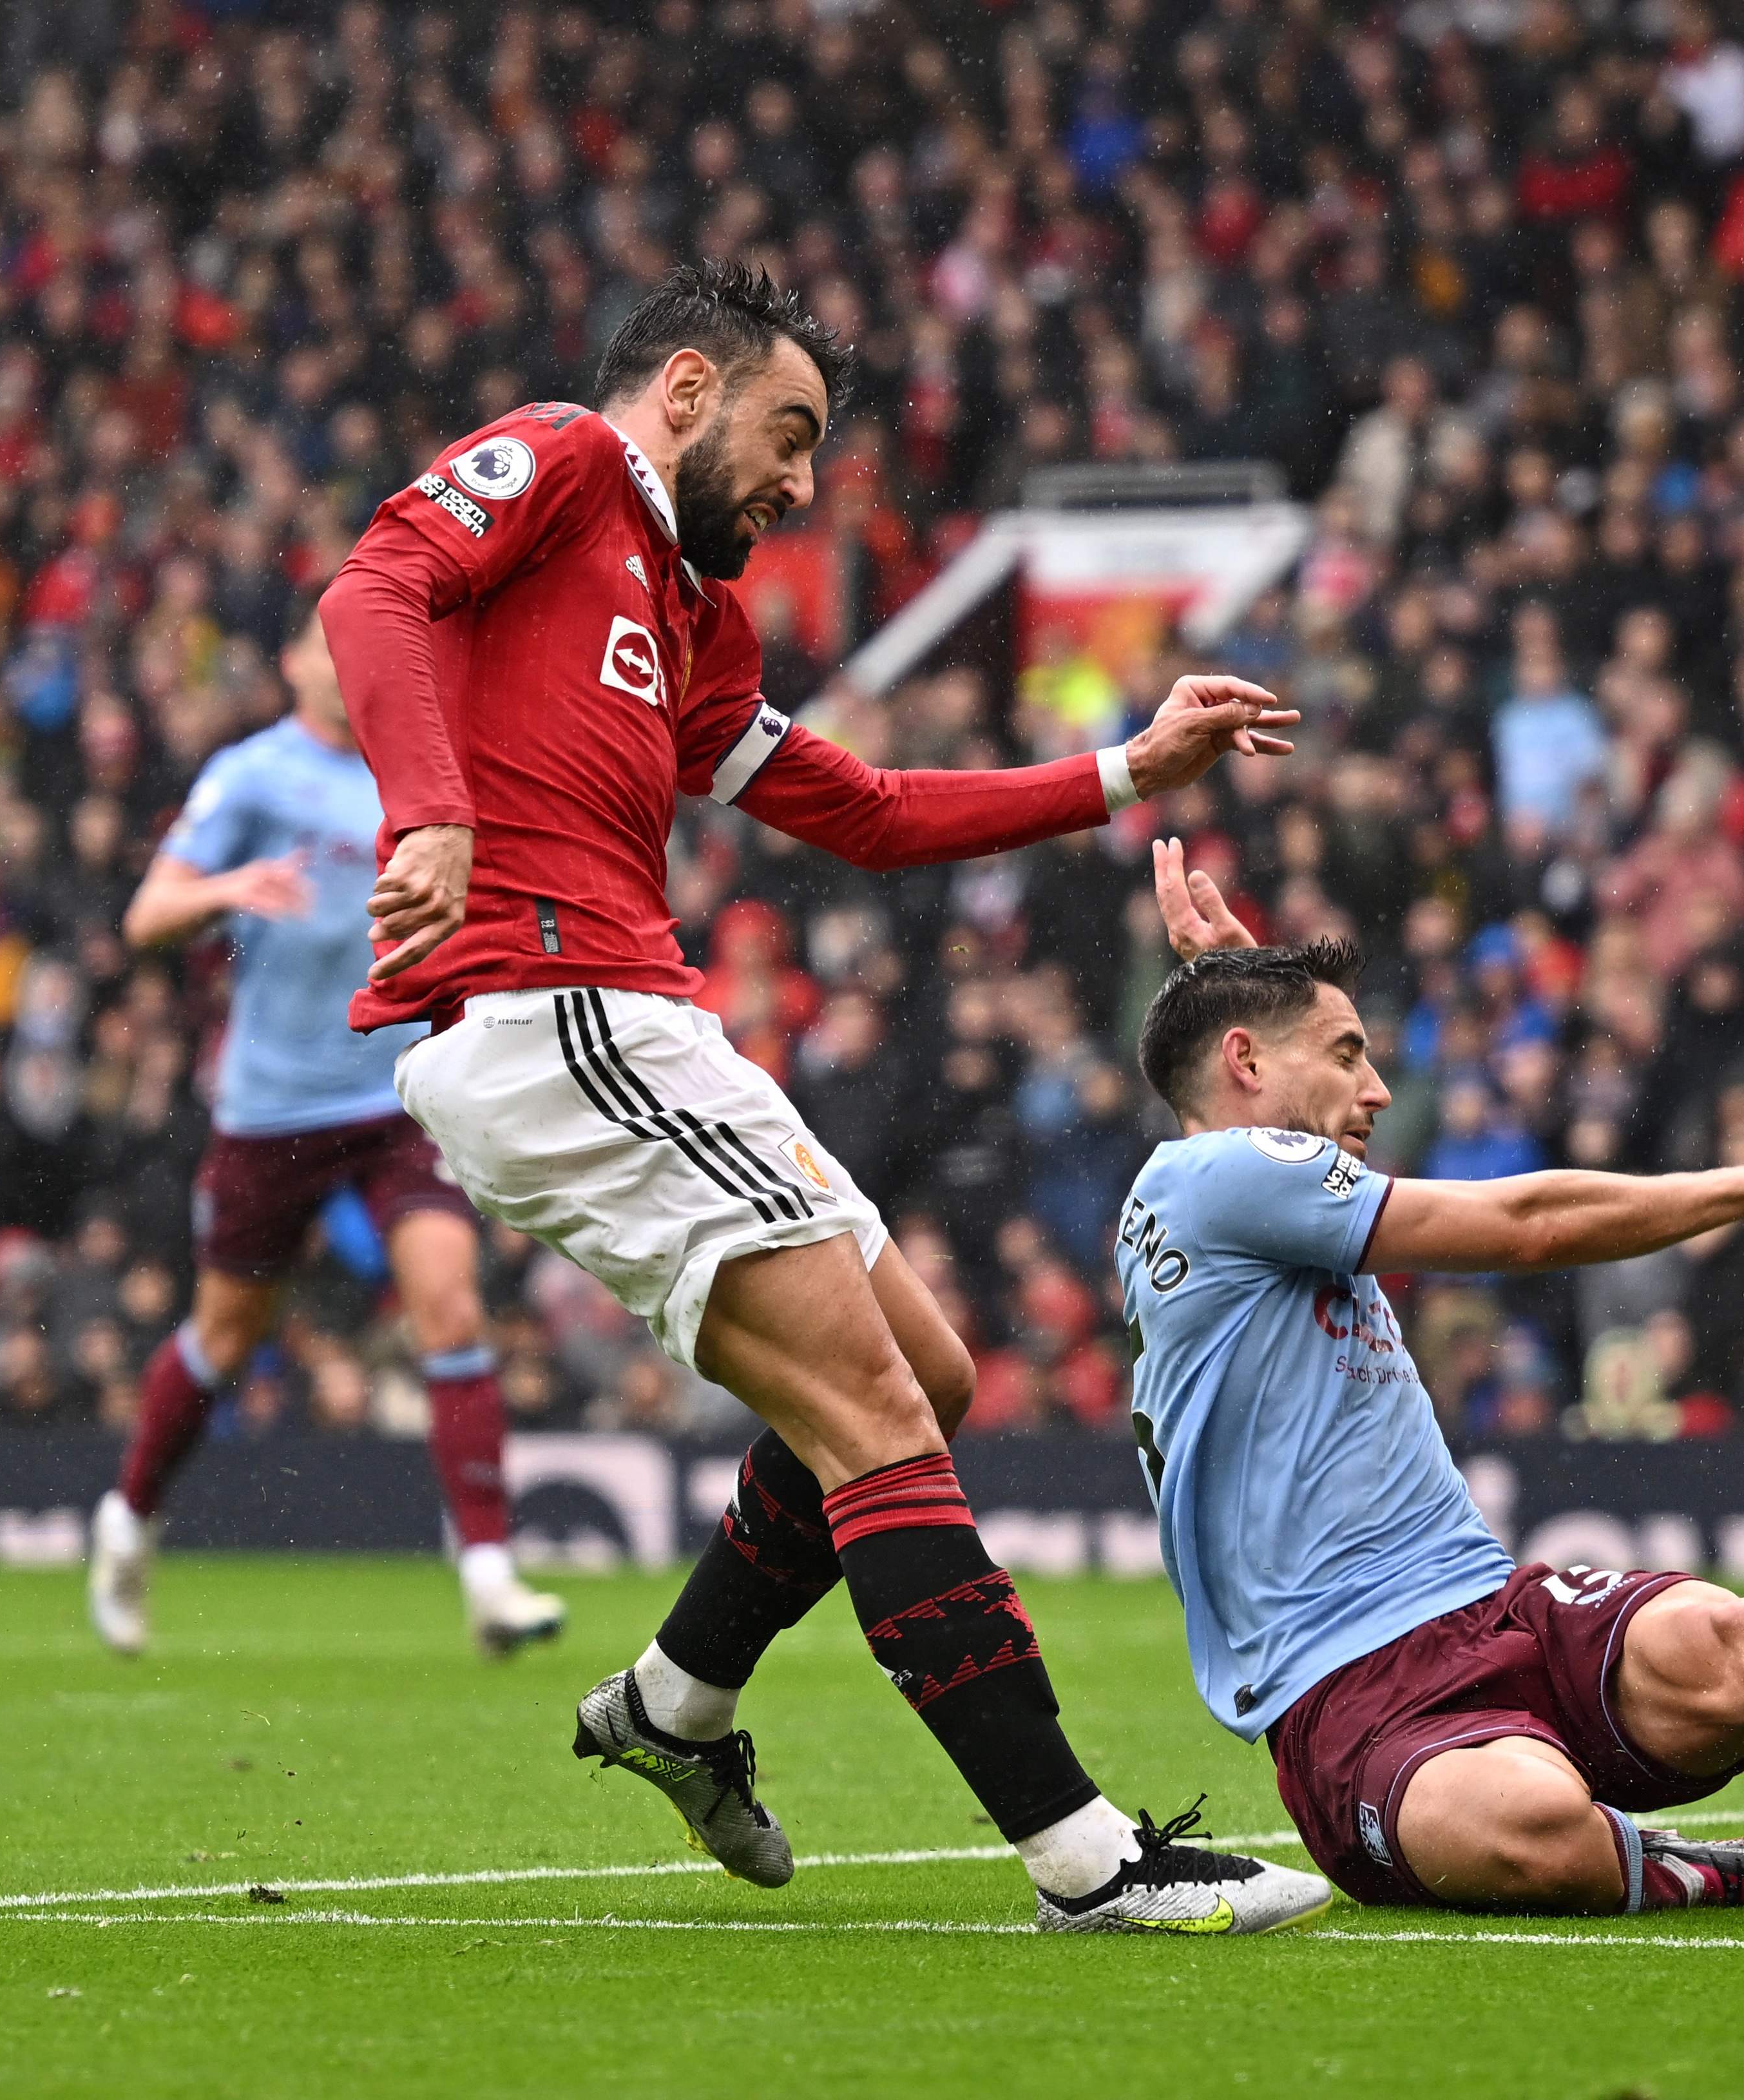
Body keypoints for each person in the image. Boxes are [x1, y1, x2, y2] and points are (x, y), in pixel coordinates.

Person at [317, 260, 1323, 1934]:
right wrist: (432, 809)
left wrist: (1119, 775)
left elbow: (853, 806)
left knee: (923, 1363)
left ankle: (676, 1700)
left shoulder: (696, 616)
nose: (800, 484)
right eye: (787, 437)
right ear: (691, 391)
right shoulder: (566, 461)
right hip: (546, 1005)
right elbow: (375, 590)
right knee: (876, 1411)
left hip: (647, 1017)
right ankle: (1088, 1856)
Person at [1116, 841, 1744, 1914]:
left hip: (1490, 1604)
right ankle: (1711, 1870)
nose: (1375, 1087)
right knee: (1530, 1816)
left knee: (1724, 1635)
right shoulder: (1221, 1177)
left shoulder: (1217, 1191)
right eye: (1344, 1052)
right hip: (1347, 1694)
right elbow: (1523, 1222)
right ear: (1243, 1062)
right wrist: (1741, 1186)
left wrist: (1243, 989)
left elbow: (1248, 1096)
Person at [84, 598, 568, 1661]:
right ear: (295, 661)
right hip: (272, 1106)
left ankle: (488, 1571)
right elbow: (145, 915)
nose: (348, 666)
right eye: (328, 647)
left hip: (395, 1093)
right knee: (226, 1334)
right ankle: (128, 1519)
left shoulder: (422, 770)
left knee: (448, 1298)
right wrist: (227, 887)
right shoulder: (253, 773)